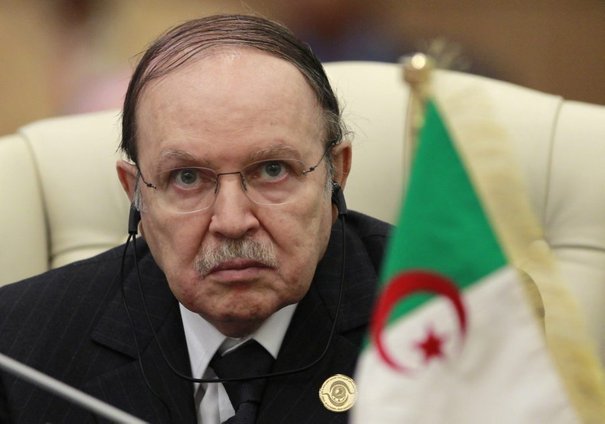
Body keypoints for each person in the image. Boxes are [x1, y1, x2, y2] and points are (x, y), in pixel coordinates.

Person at [0, 14, 390, 423]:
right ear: (136, 192)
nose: (232, 221)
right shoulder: (20, 351)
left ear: (336, 171)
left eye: (272, 170)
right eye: (187, 178)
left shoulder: (443, 315)